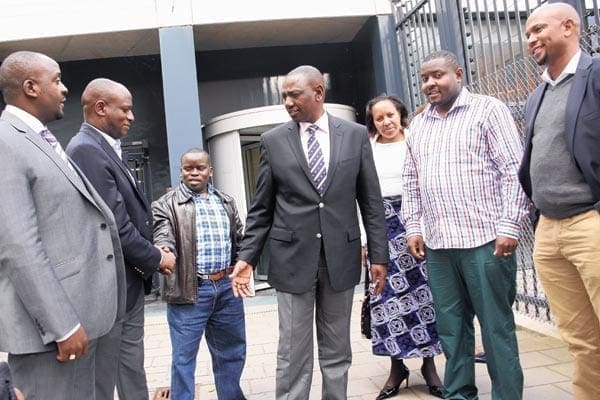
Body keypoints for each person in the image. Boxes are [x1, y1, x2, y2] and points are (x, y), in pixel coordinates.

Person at [229, 65, 389, 400]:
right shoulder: (273, 141)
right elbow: (262, 209)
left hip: (341, 260)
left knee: (337, 351)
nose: (287, 101)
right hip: (292, 261)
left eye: (294, 94)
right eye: (284, 95)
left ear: (318, 92)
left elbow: (371, 202)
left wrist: (379, 256)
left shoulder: (355, 135)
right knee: (292, 353)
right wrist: (246, 258)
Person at [401, 50, 529, 399]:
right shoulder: (418, 125)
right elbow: (411, 182)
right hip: (440, 247)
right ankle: (459, 394)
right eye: (425, 78)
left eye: (438, 75)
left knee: (496, 329)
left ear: (458, 74)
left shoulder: (489, 110)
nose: (430, 83)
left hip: (486, 242)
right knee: (452, 332)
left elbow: (514, 172)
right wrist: (414, 227)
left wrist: (509, 226)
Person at [0, 51, 126, 399]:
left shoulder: (40, 138)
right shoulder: (6, 142)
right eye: (56, 80)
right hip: (50, 336)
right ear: (30, 87)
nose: (65, 89)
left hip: (81, 319)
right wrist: (62, 324)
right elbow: (19, 246)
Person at [65, 78, 176, 399]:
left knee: (130, 368)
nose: (131, 117)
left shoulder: (101, 147)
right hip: (111, 289)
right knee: (106, 375)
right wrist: (157, 258)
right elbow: (114, 225)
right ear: (101, 108)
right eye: (125, 109)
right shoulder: (86, 150)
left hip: (126, 283)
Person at [520, 3, 600, 399]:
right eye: (527, 33)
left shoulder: (596, 75)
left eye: (538, 29)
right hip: (549, 230)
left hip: (591, 222)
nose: (530, 38)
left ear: (569, 26)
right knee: (581, 339)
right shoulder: (537, 95)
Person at [364, 95, 444, 399]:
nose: (385, 122)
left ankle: (429, 365)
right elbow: (363, 198)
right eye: (378, 118)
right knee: (385, 299)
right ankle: (397, 368)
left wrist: (423, 227)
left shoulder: (417, 141)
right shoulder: (367, 149)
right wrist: (364, 240)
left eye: (390, 116)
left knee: (426, 296)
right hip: (380, 230)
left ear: (401, 115)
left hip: (417, 226)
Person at [152, 148, 246, 400]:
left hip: (227, 289)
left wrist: (242, 267)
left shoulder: (226, 201)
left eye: (200, 168)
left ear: (210, 171)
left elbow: (239, 238)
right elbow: (163, 234)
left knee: (232, 352)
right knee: (183, 358)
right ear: (181, 171)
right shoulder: (165, 205)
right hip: (190, 291)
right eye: (188, 168)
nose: (194, 173)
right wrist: (164, 251)